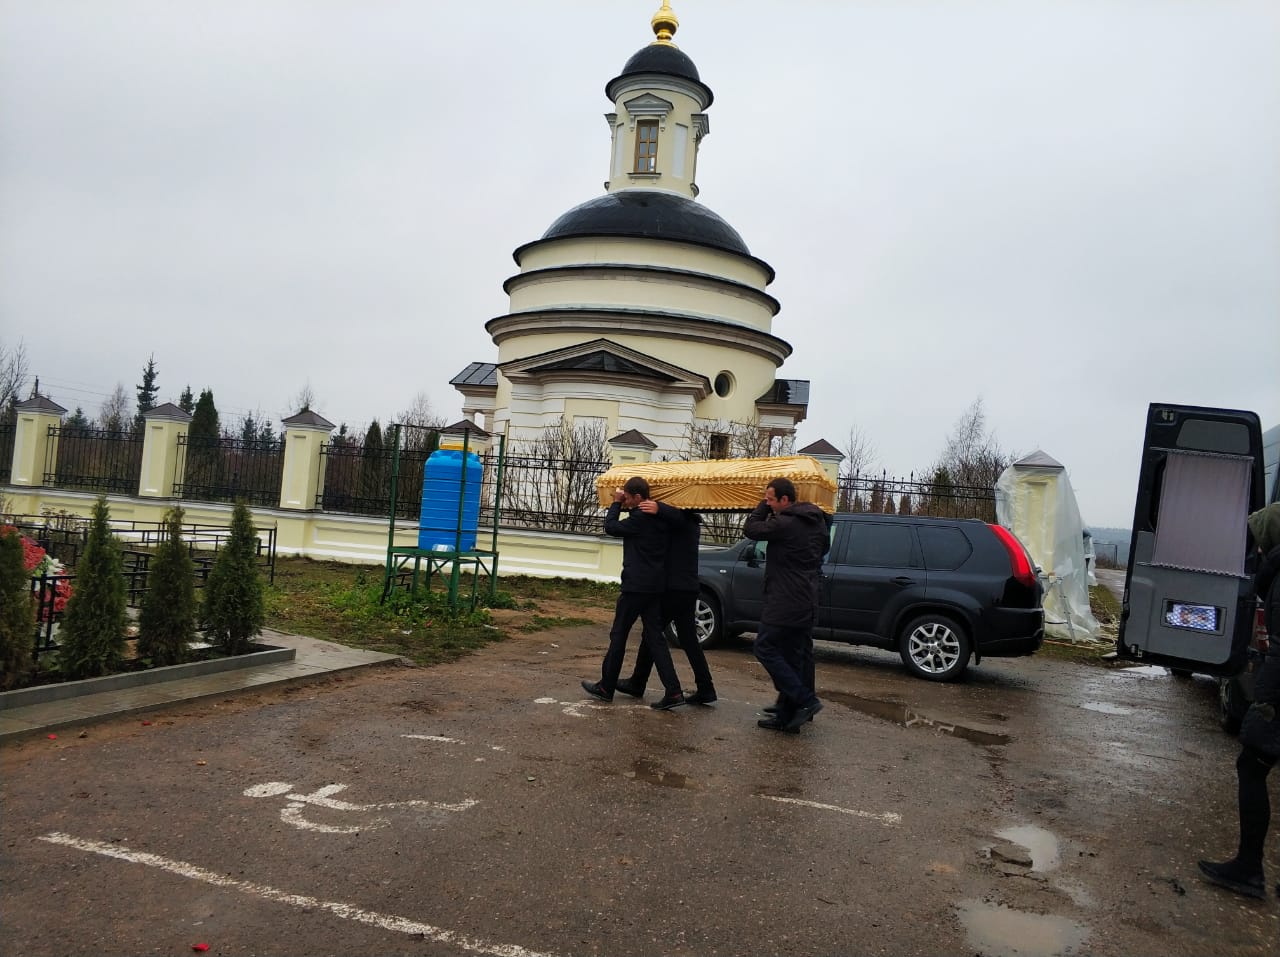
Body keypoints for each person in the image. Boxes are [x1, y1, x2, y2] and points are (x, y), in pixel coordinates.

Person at [1199, 501, 1280, 900]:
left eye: (1260, 541)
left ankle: (1249, 869)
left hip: (1276, 695)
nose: (1258, 550)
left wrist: (1264, 705)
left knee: (1251, 766)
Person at [581, 477, 686, 710]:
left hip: (635, 587)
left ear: (638, 497)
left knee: (619, 634)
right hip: (655, 587)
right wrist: (662, 508)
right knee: (656, 639)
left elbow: (610, 527)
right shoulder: (661, 518)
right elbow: (680, 519)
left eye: (627, 497)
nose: (625, 500)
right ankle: (674, 690)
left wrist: (615, 504)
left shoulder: (638, 519)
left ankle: (606, 686)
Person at [743, 476, 831, 733]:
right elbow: (823, 548)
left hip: (785, 600)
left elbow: (751, 529)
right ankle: (788, 715)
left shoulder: (786, 523)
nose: (768, 504)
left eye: (771, 499)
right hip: (807, 598)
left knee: (765, 648)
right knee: (796, 656)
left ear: (785, 499)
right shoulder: (817, 522)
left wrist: (760, 506)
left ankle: (805, 701)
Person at [615, 504, 717, 705]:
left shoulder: (682, 520)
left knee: (651, 634)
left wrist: (658, 507)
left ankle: (643, 683)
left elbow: (676, 518)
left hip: (674, 589)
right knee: (689, 640)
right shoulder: (692, 521)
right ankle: (706, 688)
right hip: (688, 588)